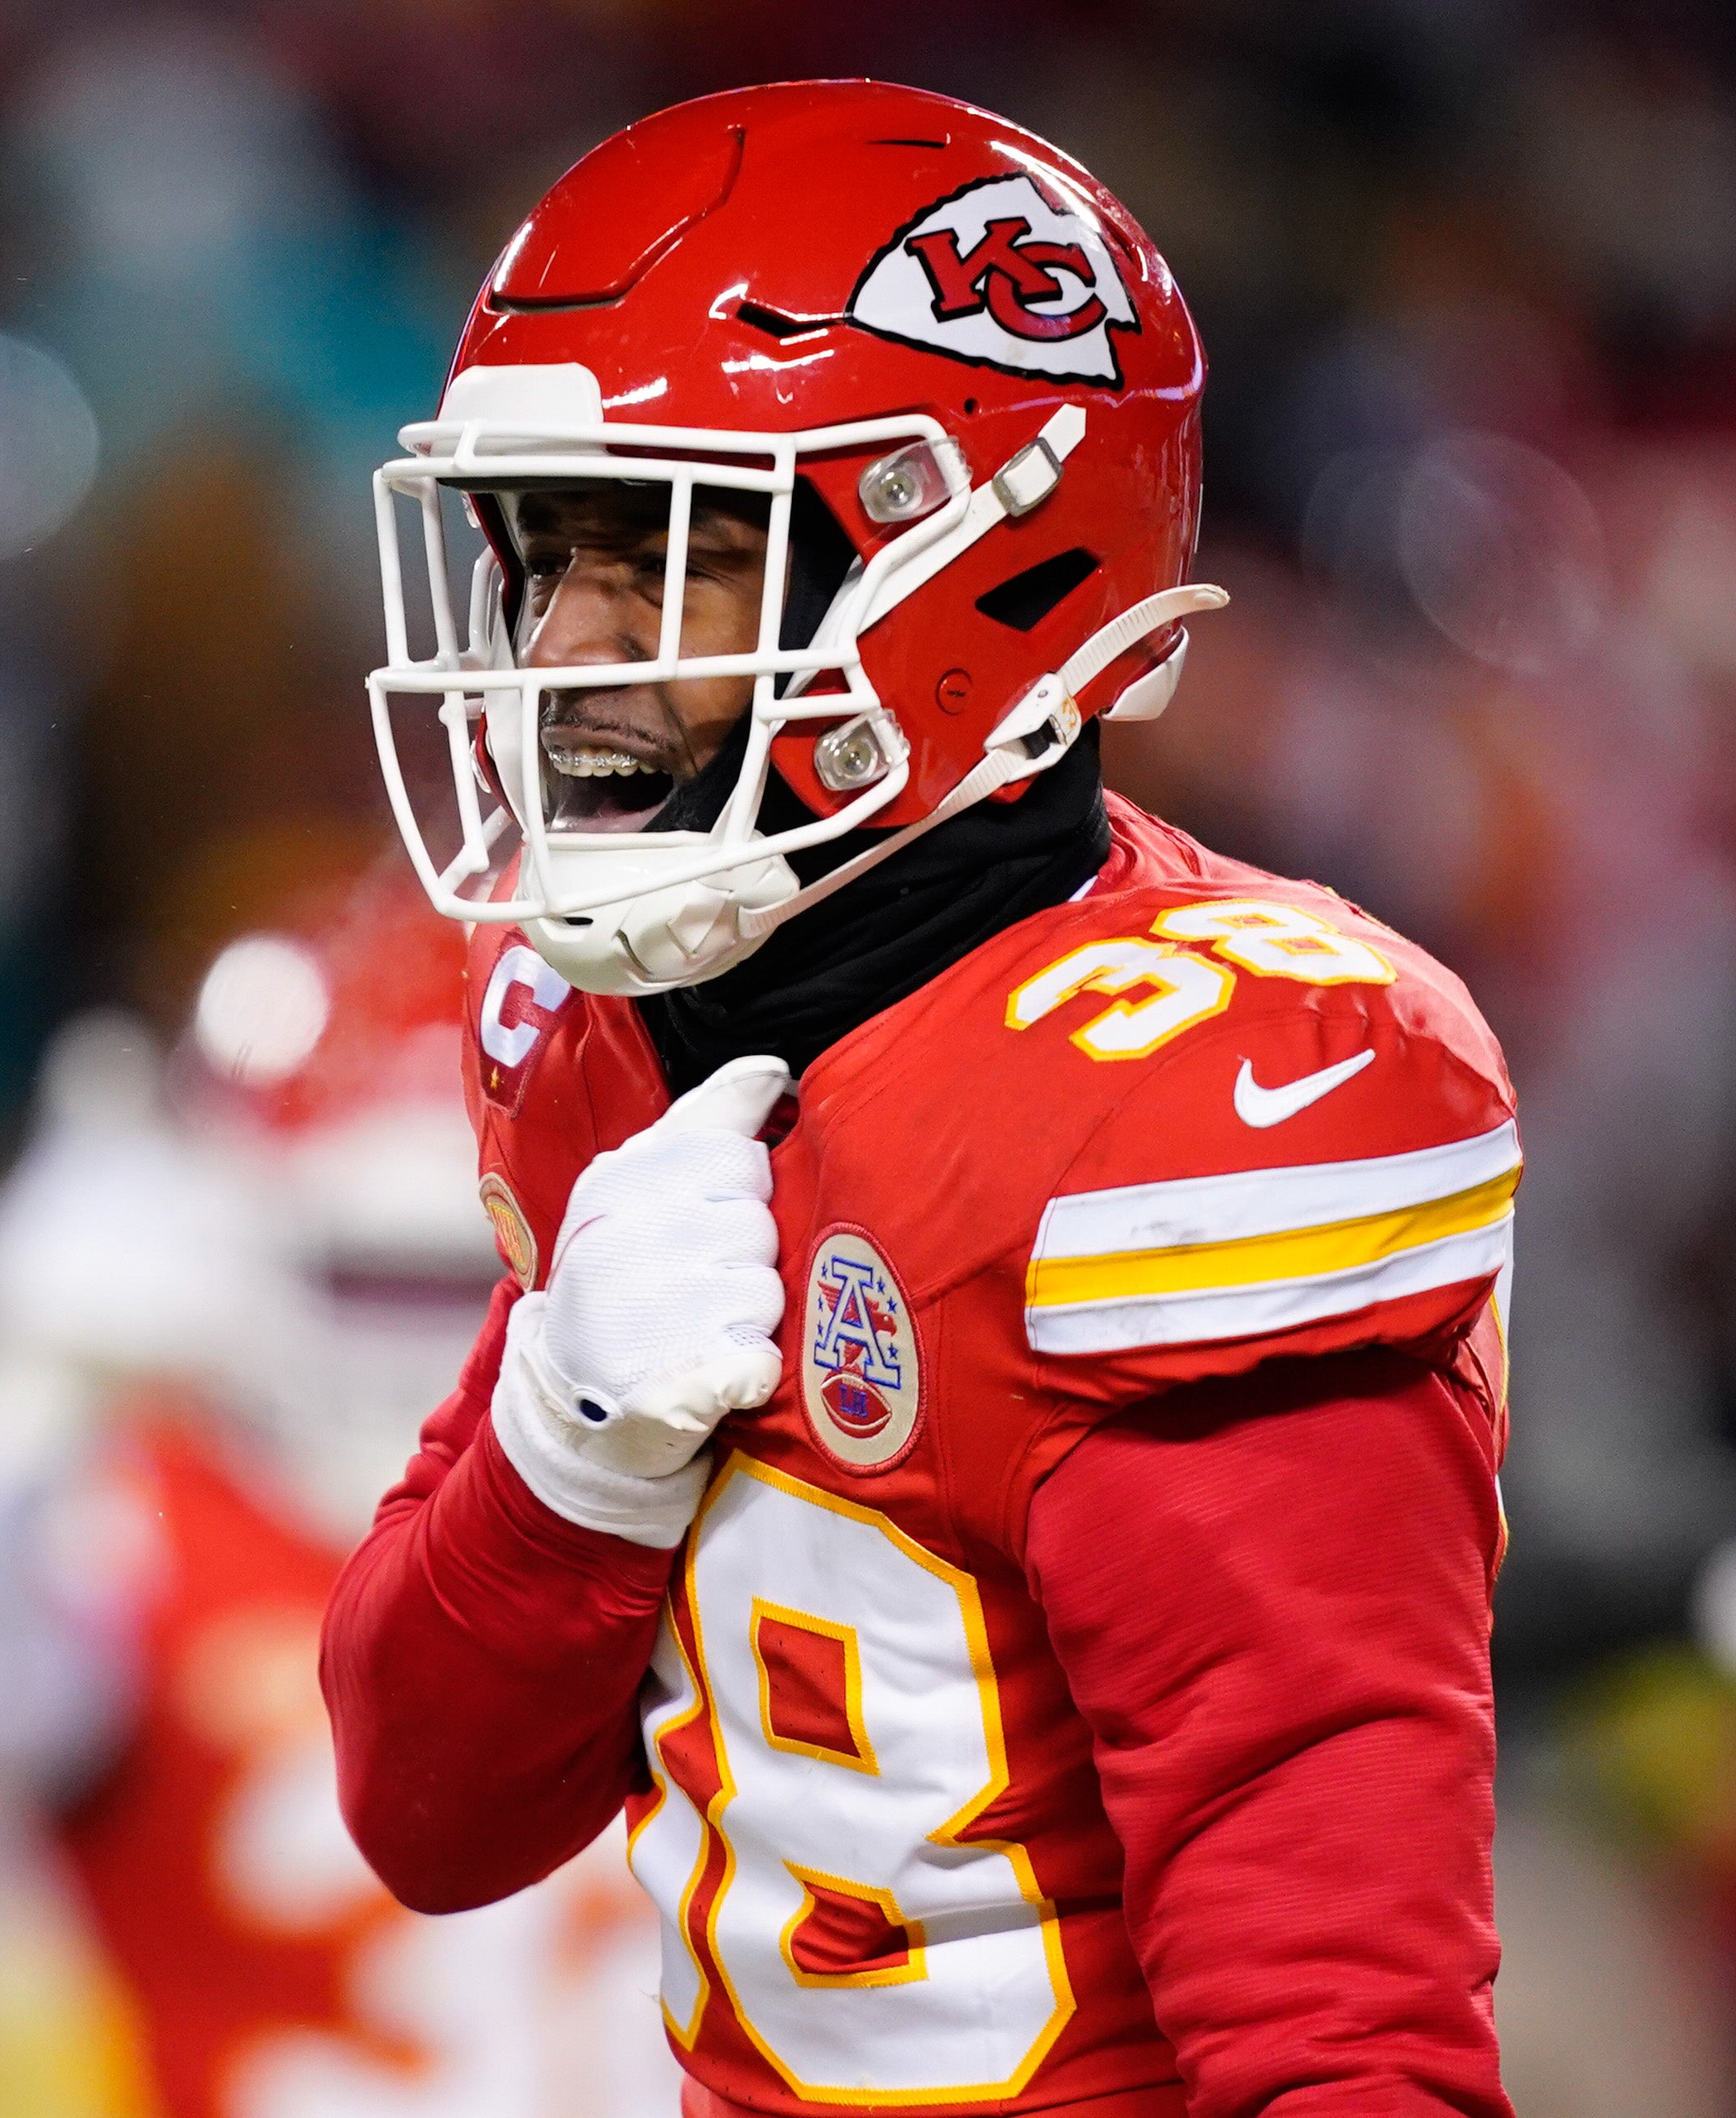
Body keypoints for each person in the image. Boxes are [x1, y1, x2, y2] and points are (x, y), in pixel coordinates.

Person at [323, 79, 1519, 2118]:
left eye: (668, 564)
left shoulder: (1186, 1093)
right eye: (544, 558)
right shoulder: (601, 1015)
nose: (561, 656)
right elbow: (425, 1805)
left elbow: (1340, 2035)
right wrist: (560, 1458)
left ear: (960, 573)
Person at [0, 878, 677, 2118]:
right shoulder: (138, 1515)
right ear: (223, 1228)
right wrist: (22, 1393)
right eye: (371, 1274)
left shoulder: (709, 1482)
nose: (433, 1335)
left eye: (479, 1272)